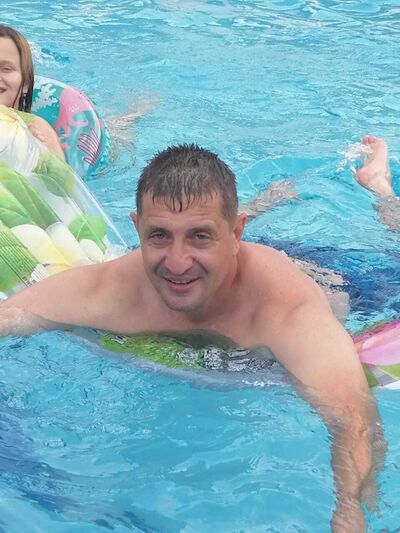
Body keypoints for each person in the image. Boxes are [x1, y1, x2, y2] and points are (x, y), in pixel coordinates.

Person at [0, 143, 383, 531]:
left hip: (340, 280)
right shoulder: (114, 290)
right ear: (137, 229)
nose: (177, 263)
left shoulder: (281, 307)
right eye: (159, 236)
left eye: (199, 236)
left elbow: (353, 418)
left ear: (237, 234)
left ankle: (378, 185)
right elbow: (12, 316)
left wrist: (348, 511)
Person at [0, 24, 66, 160]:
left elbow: (63, 173)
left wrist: (37, 151)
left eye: (6, 68)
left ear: (26, 83)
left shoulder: (38, 128)